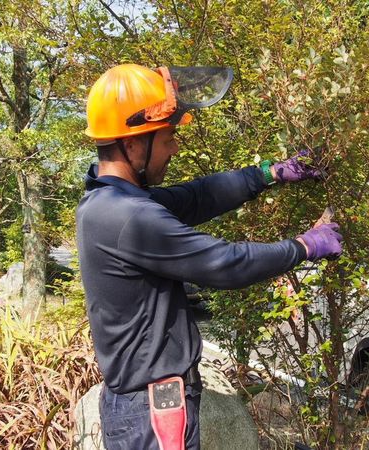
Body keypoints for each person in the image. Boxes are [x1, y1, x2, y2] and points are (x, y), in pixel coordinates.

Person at [77, 64, 344, 450]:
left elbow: (200, 195)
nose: (174, 148)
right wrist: (305, 246)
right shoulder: (128, 216)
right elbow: (224, 263)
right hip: (154, 411)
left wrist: (270, 174)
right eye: (167, 137)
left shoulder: (110, 202)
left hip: (144, 406)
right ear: (132, 144)